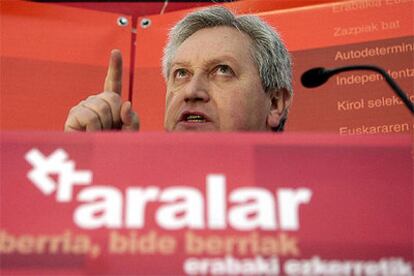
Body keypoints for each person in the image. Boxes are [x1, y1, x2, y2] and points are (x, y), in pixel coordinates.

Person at [64, 6, 292, 132]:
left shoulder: (309, 202)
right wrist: (89, 169)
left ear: (274, 103)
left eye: (222, 70)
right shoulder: (131, 199)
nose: (192, 91)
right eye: (181, 73)